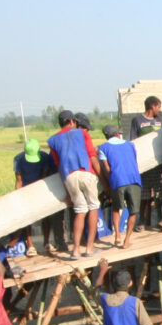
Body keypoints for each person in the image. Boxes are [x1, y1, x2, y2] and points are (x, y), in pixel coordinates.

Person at [47, 110, 103, 259]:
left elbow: (59, 166)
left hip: (69, 177)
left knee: (80, 210)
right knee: (93, 207)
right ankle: (89, 247)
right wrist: (103, 179)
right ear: (72, 121)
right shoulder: (82, 133)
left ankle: (76, 250)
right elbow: (92, 157)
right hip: (86, 172)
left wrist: (67, 190)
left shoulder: (52, 140)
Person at [13, 138, 61, 254]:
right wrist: (18, 196)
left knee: (45, 217)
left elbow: (44, 176)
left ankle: (46, 243)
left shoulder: (44, 157)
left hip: (41, 188)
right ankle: (30, 245)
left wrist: (41, 193)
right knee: (28, 219)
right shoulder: (18, 159)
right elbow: (19, 180)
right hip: (26, 191)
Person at [99, 125, 143, 249]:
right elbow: (134, 162)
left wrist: (110, 181)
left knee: (116, 208)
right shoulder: (130, 145)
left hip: (117, 180)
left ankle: (117, 236)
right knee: (133, 211)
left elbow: (107, 169)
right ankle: (126, 240)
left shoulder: (103, 148)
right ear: (117, 134)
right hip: (133, 179)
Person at [130, 95, 162, 230]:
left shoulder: (159, 121)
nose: (160, 110)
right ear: (152, 106)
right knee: (145, 194)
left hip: (159, 162)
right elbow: (133, 141)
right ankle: (142, 220)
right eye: (159, 107)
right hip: (145, 164)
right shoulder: (137, 120)